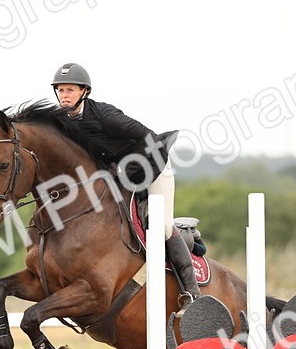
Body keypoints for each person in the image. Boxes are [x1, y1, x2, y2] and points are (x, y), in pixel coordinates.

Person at [50, 62, 201, 302]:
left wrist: (123, 169)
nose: (64, 95)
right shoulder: (63, 122)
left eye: (70, 89)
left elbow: (149, 138)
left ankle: (193, 292)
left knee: (159, 226)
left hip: (155, 163)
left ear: (84, 92)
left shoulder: (106, 117)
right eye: (60, 90)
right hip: (117, 173)